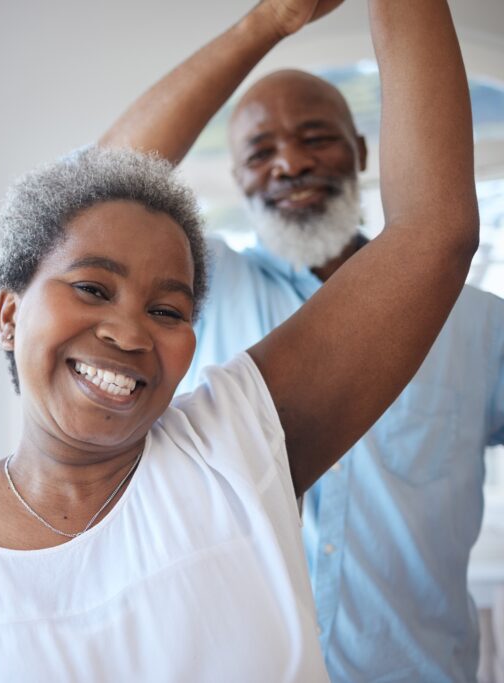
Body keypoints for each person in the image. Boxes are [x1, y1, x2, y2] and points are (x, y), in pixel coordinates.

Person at [0, 0, 477, 680]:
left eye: (167, 309)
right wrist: (266, 21)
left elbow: (432, 236)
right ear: (8, 312)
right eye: (93, 288)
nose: (129, 331)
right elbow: (90, 190)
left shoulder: (234, 447)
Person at [99, 0, 504, 681]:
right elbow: (97, 195)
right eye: (260, 151)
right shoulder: (202, 288)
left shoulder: (477, 324)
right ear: (238, 180)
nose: (289, 162)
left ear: (361, 151)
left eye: (315, 136)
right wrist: (268, 22)